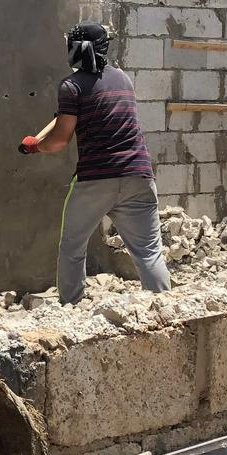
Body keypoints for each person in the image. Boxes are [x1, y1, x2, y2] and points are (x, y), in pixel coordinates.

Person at [18, 22, 170, 304]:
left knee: (73, 246)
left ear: (74, 49)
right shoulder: (123, 79)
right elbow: (97, 107)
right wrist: (69, 111)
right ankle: (163, 308)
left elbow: (60, 139)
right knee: (149, 252)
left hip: (95, 180)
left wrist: (34, 146)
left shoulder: (72, 86)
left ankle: (72, 307)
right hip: (138, 175)